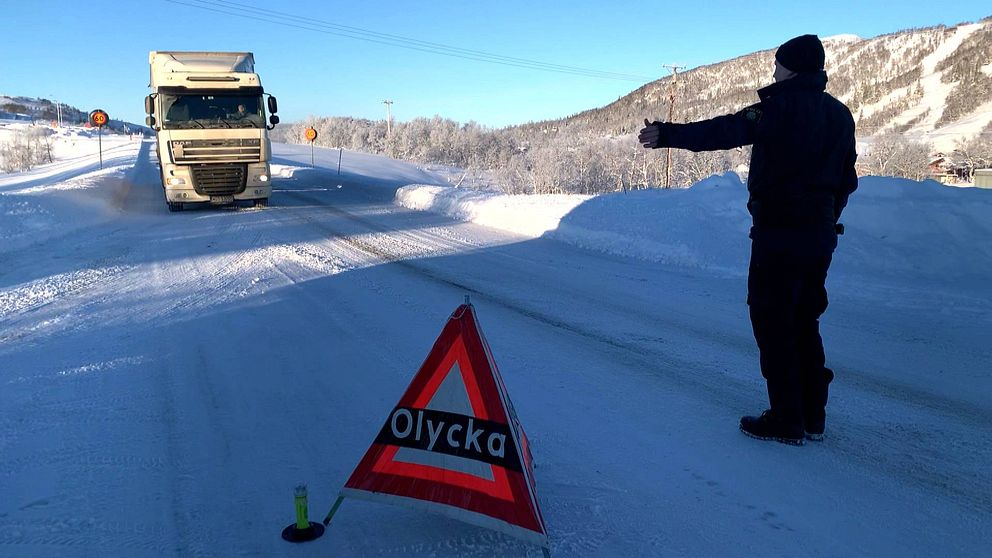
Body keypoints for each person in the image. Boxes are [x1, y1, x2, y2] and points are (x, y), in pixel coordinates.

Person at [638, 34, 858, 445]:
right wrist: (826, 218)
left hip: (779, 233)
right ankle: (813, 416)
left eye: (778, 63)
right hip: (820, 235)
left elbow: (723, 131)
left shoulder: (775, 109)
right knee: (805, 320)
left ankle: (786, 419)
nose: (773, 70)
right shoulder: (840, 115)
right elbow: (847, 180)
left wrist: (666, 134)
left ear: (792, 67)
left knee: (773, 320)